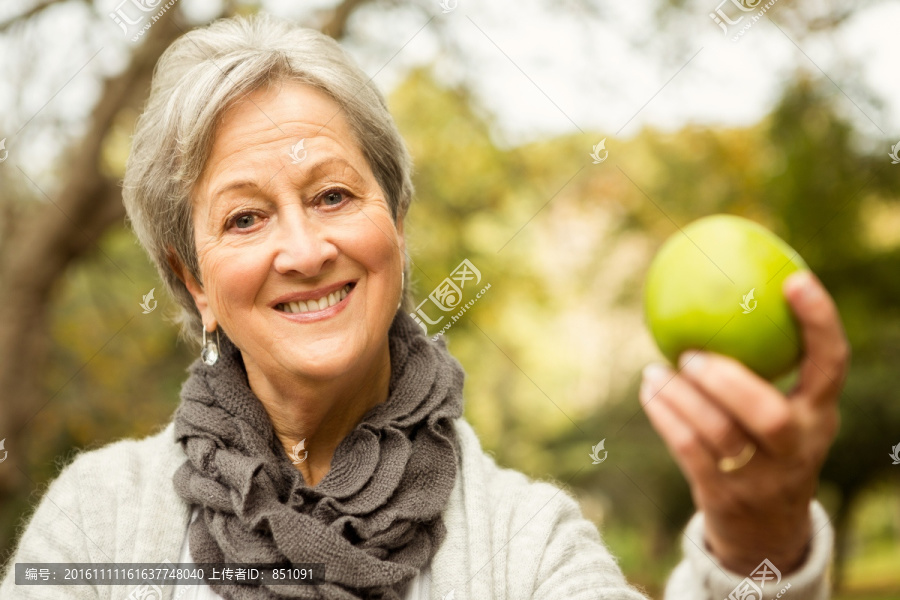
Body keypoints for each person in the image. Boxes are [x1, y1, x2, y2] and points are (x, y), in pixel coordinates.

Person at [0, 13, 848, 600]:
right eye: (246, 217)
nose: (303, 250)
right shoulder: (99, 522)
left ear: (395, 227)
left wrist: (758, 547)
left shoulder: (528, 542)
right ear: (193, 283)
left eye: (333, 195)